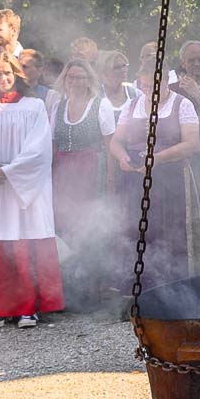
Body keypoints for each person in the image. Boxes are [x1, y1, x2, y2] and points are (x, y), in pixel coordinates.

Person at [0, 50, 61, 328]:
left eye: (8, 73)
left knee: (23, 247)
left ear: (17, 75)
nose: (3, 78)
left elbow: (39, 150)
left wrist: (10, 171)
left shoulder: (34, 106)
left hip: (23, 190)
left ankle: (27, 308)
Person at [110, 58, 200, 290]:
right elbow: (116, 141)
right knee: (134, 230)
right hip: (134, 179)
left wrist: (157, 158)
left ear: (164, 82)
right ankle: (136, 288)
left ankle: (173, 289)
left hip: (170, 179)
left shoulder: (182, 104)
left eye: (152, 85)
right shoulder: (132, 105)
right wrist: (122, 157)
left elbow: (192, 144)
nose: (147, 91)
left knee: (169, 232)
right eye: (143, 85)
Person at [50, 58, 116, 302]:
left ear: (89, 80)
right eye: (70, 77)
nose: (74, 82)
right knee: (64, 227)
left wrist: (110, 178)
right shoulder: (58, 107)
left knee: (90, 226)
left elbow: (110, 145)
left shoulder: (101, 105)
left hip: (91, 171)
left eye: (79, 77)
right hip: (63, 174)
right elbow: (52, 144)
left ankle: (92, 288)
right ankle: (69, 288)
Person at [97, 51, 134, 123]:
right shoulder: (96, 96)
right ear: (104, 71)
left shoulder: (135, 94)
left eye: (124, 66)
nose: (123, 70)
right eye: (117, 67)